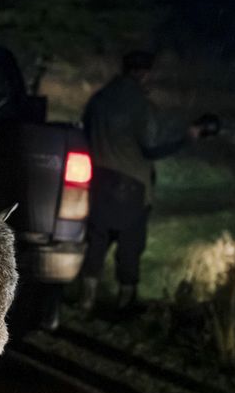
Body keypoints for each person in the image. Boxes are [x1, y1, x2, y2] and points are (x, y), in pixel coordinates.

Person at [78, 50, 206, 312]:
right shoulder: (141, 104)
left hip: (99, 182)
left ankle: (86, 298)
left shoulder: (99, 100)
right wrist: (187, 138)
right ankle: (125, 303)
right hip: (131, 186)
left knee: (96, 241)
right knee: (130, 244)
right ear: (143, 73)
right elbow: (152, 147)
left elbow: (85, 133)